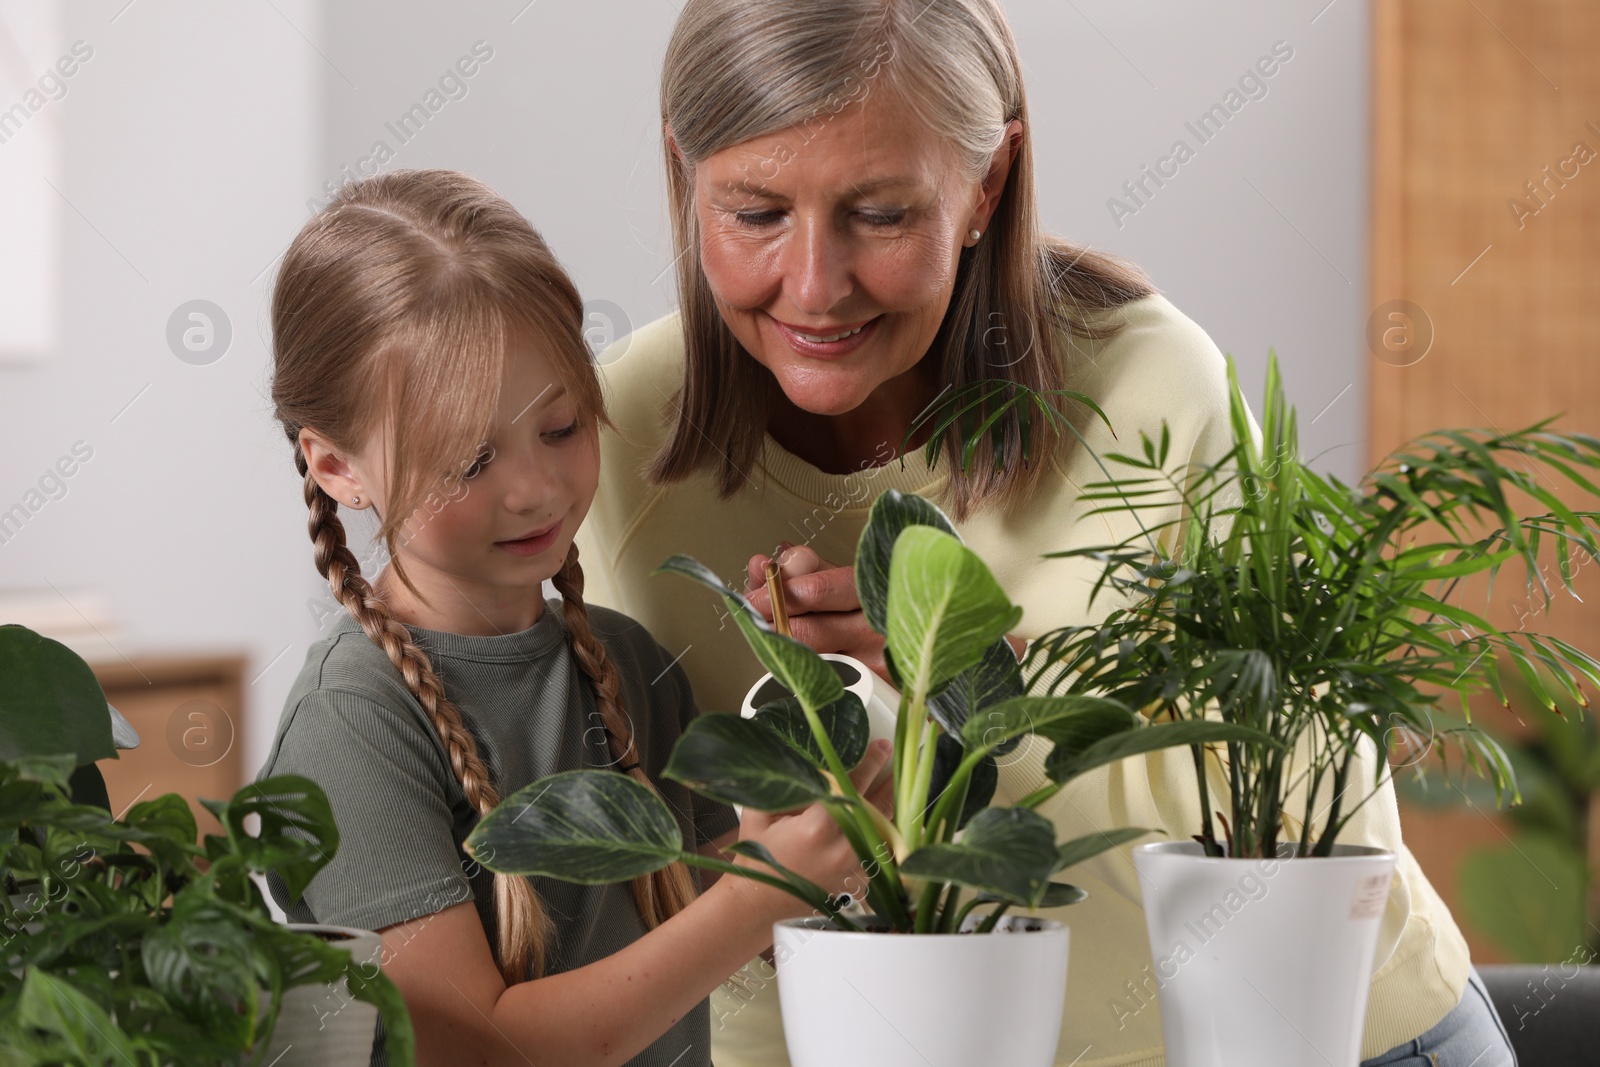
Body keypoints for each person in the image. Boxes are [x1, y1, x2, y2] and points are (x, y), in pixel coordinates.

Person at [571, 1, 1517, 1064]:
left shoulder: (1150, 388)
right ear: (682, 169)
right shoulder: (606, 436)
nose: (814, 284)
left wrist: (987, 689)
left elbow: (1319, 805)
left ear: (986, 184)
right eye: (753, 214)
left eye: (878, 214)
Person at [255, 169, 895, 1067]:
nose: (535, 487)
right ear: (336, 467)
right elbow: (472, 1051)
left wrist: (846, 746)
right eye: (467, 459)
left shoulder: (625, 662)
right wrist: (758, 892)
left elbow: (716, 929)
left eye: (560, 427)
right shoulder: (354, 720)